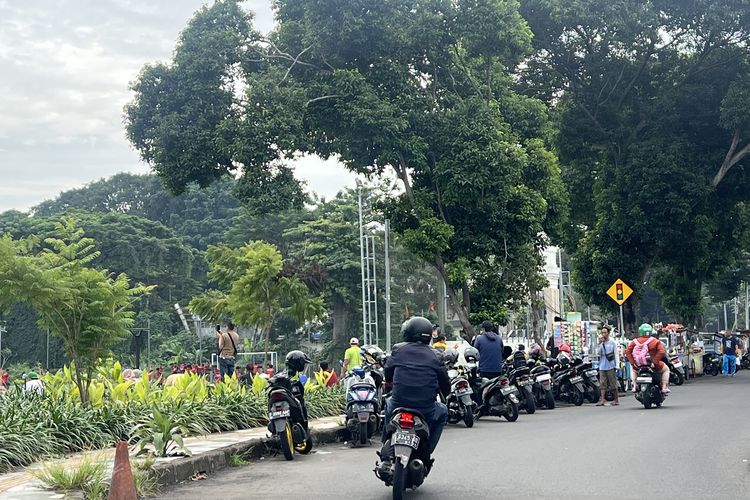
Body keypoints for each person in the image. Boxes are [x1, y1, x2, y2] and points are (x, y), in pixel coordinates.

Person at [383, 316, 450, 458]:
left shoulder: (398, 350)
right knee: (443, 411)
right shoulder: (436, 355)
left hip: (398, 405)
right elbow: (445, 384)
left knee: (388, 403)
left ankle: (386, 441)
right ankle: (427, 451)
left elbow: (388, 374)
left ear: (408, 333)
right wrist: (445, 392)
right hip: (425, 408)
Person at [626, 324, 669, 395]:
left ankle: (634, 385)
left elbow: (628, 352)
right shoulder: (655, 341)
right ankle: (664, 387)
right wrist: (654, 362)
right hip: (652, 364)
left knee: (634, 370)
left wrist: (633, 363)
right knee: (666, 370)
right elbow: (661, 351)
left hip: (638, 364)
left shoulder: (634, 341)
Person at [596, 326, 620, 406]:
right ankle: (602, 399)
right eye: (602, 332)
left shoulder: (612, 342)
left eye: (605, 332)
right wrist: (599, 343)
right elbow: (598, 353)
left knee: (613, 383)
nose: (603, 334)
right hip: (602, 365)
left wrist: (617, 365)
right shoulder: (601, 343)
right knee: (602, 383)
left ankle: (616, 399)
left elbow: (616, 354)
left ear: (608, 333)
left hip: (611, 365)